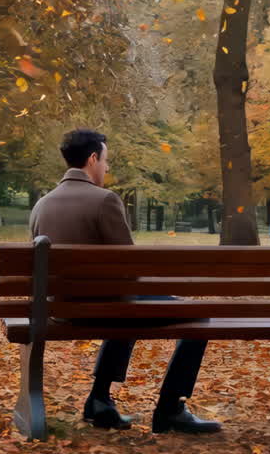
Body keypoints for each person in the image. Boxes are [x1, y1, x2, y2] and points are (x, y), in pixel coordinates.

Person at [29, 129, 221, 435]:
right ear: (92, 159)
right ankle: (171, 408)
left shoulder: (42, 205)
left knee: (125, 302)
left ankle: (100, 401)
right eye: (105, 161)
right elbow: (130, 268)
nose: (106, 168)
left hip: (59, 309)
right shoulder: (105, 200)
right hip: (105, 307)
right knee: (197, 317)